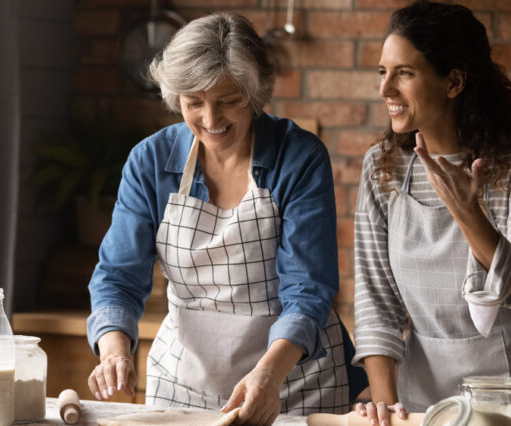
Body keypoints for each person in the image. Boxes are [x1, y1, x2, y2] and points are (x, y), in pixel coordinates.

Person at [85, 12, 367, 425]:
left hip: (293, 381)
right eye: (194, 102)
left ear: (254, 93)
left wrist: (269, 375)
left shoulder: (299, 158)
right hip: (183, 382)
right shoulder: (150, 161)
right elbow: (118, 277)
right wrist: (114, 352)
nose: (211, 120)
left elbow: (307, 288)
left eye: (228, 100)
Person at [352, 0, 511, 424]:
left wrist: (469, 212)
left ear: (453, 82)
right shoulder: (383, 166)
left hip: (510, 395)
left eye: (405, 73)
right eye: (383, 72)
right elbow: (375, 299)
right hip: (419, 397)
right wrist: (386, 405)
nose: (386, 89)